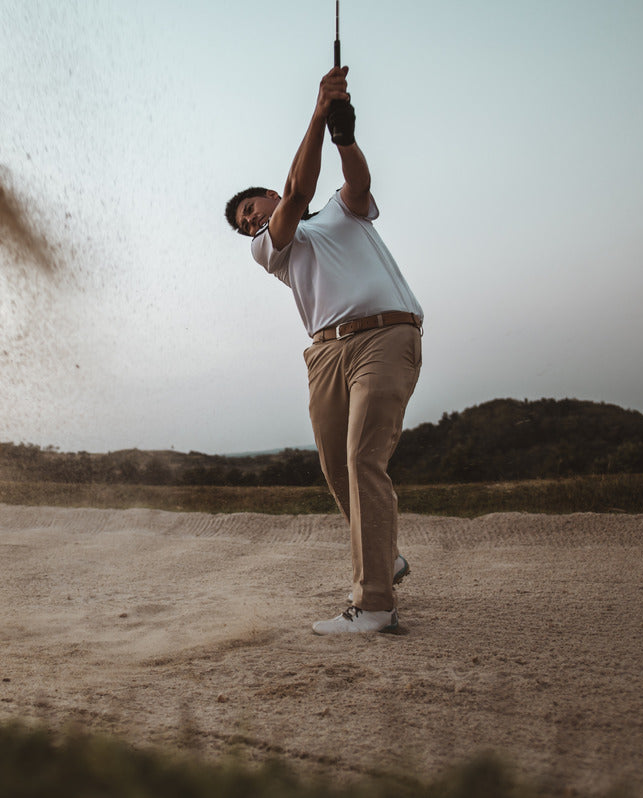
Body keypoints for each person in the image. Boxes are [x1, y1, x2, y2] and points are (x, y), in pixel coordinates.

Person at [224, 66, 423, 635]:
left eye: (252, 207)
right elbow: (298, 193)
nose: (252, 219)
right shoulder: (272, 248)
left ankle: (376, 604)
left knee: (363, 458)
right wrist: (316, 114)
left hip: (385, 336)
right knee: (338, 468)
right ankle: (387, 558)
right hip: (325, 355)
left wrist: (343, 137)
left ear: (266, 191)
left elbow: (356, 183)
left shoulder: (341, 210)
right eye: (245, 223)